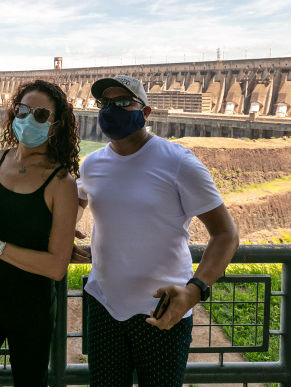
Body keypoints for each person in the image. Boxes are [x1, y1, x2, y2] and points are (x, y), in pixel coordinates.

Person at [77, 74, 239, 387]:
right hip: (104, 305)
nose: (111, 110)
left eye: (123, 102)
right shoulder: (92, 164)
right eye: (105, 103)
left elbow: (226, 234)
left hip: (163, 310)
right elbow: (79, 198)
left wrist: (194, 292)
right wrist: (63, 236)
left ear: (146, 112)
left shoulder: (178, 162)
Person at [0, 79, 88, 386]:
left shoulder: (61, 183)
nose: (29, 119)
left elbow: (56, 268)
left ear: (54, 126)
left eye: (41, 115)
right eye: (23, 110)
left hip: (31, 313)